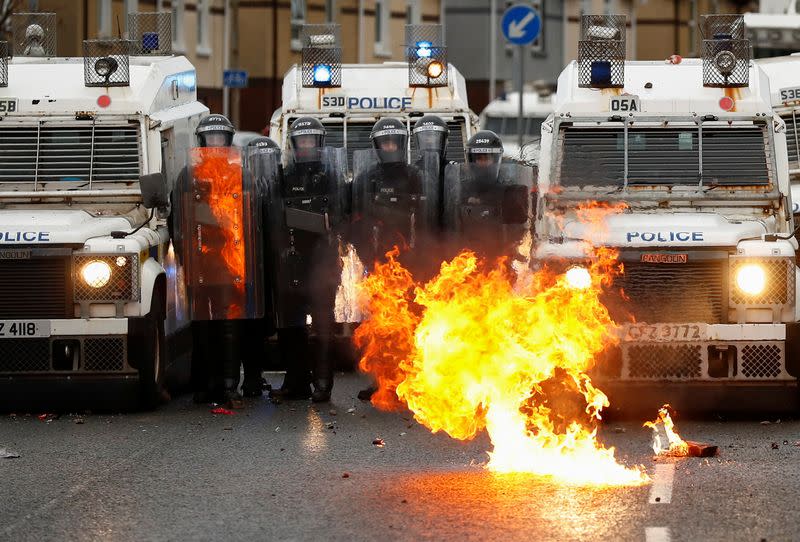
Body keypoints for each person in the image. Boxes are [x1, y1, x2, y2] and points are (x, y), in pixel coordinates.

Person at [173, 114, 265, 407]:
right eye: (209, 139)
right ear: (201, 141)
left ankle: (228, 383)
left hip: (231, 262)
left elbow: (251, 220)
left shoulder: (242, 174)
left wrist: (247, 261)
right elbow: (179, 220)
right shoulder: (188, 176)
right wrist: (185, 256)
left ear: (229, 141)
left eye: (220, 139)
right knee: (202, 326)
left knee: (229, 325)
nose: (215, 145)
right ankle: (204, 383)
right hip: (201, 262)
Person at [351, 118, 441, 401]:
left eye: (394, 142)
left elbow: (427, 221)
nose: (389, 147)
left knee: (411, 323)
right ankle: (380, 380)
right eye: (384, 142)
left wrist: (422, 256)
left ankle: (411, 380)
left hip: (410, 263)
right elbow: (356, 219)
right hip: (377, 263)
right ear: (377, 146)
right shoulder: (367, 178)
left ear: (402, 144)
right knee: (378, 326)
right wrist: (366, 253)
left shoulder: (416, 177)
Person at [267, 117, 347, 403]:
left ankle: (323, 383)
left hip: (323, 261)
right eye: (302, 141)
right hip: (291, 259)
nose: (306, 146)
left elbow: (340, 217)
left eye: (311, 141)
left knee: (323, 325)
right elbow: (273, 216)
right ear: (293, 144)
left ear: (319, 144)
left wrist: (320, 221)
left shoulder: (331, 177)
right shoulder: (283, 176)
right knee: (291, 325)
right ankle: (297, 381)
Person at [443, 129, 534, 265]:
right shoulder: (459, 190)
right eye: (478, 159)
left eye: (486, 159)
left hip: (499, 262)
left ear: (496, 160)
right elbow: (450, 229)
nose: (482, 163)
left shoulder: (510, 192)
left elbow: (518, 232)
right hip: (465, 261)